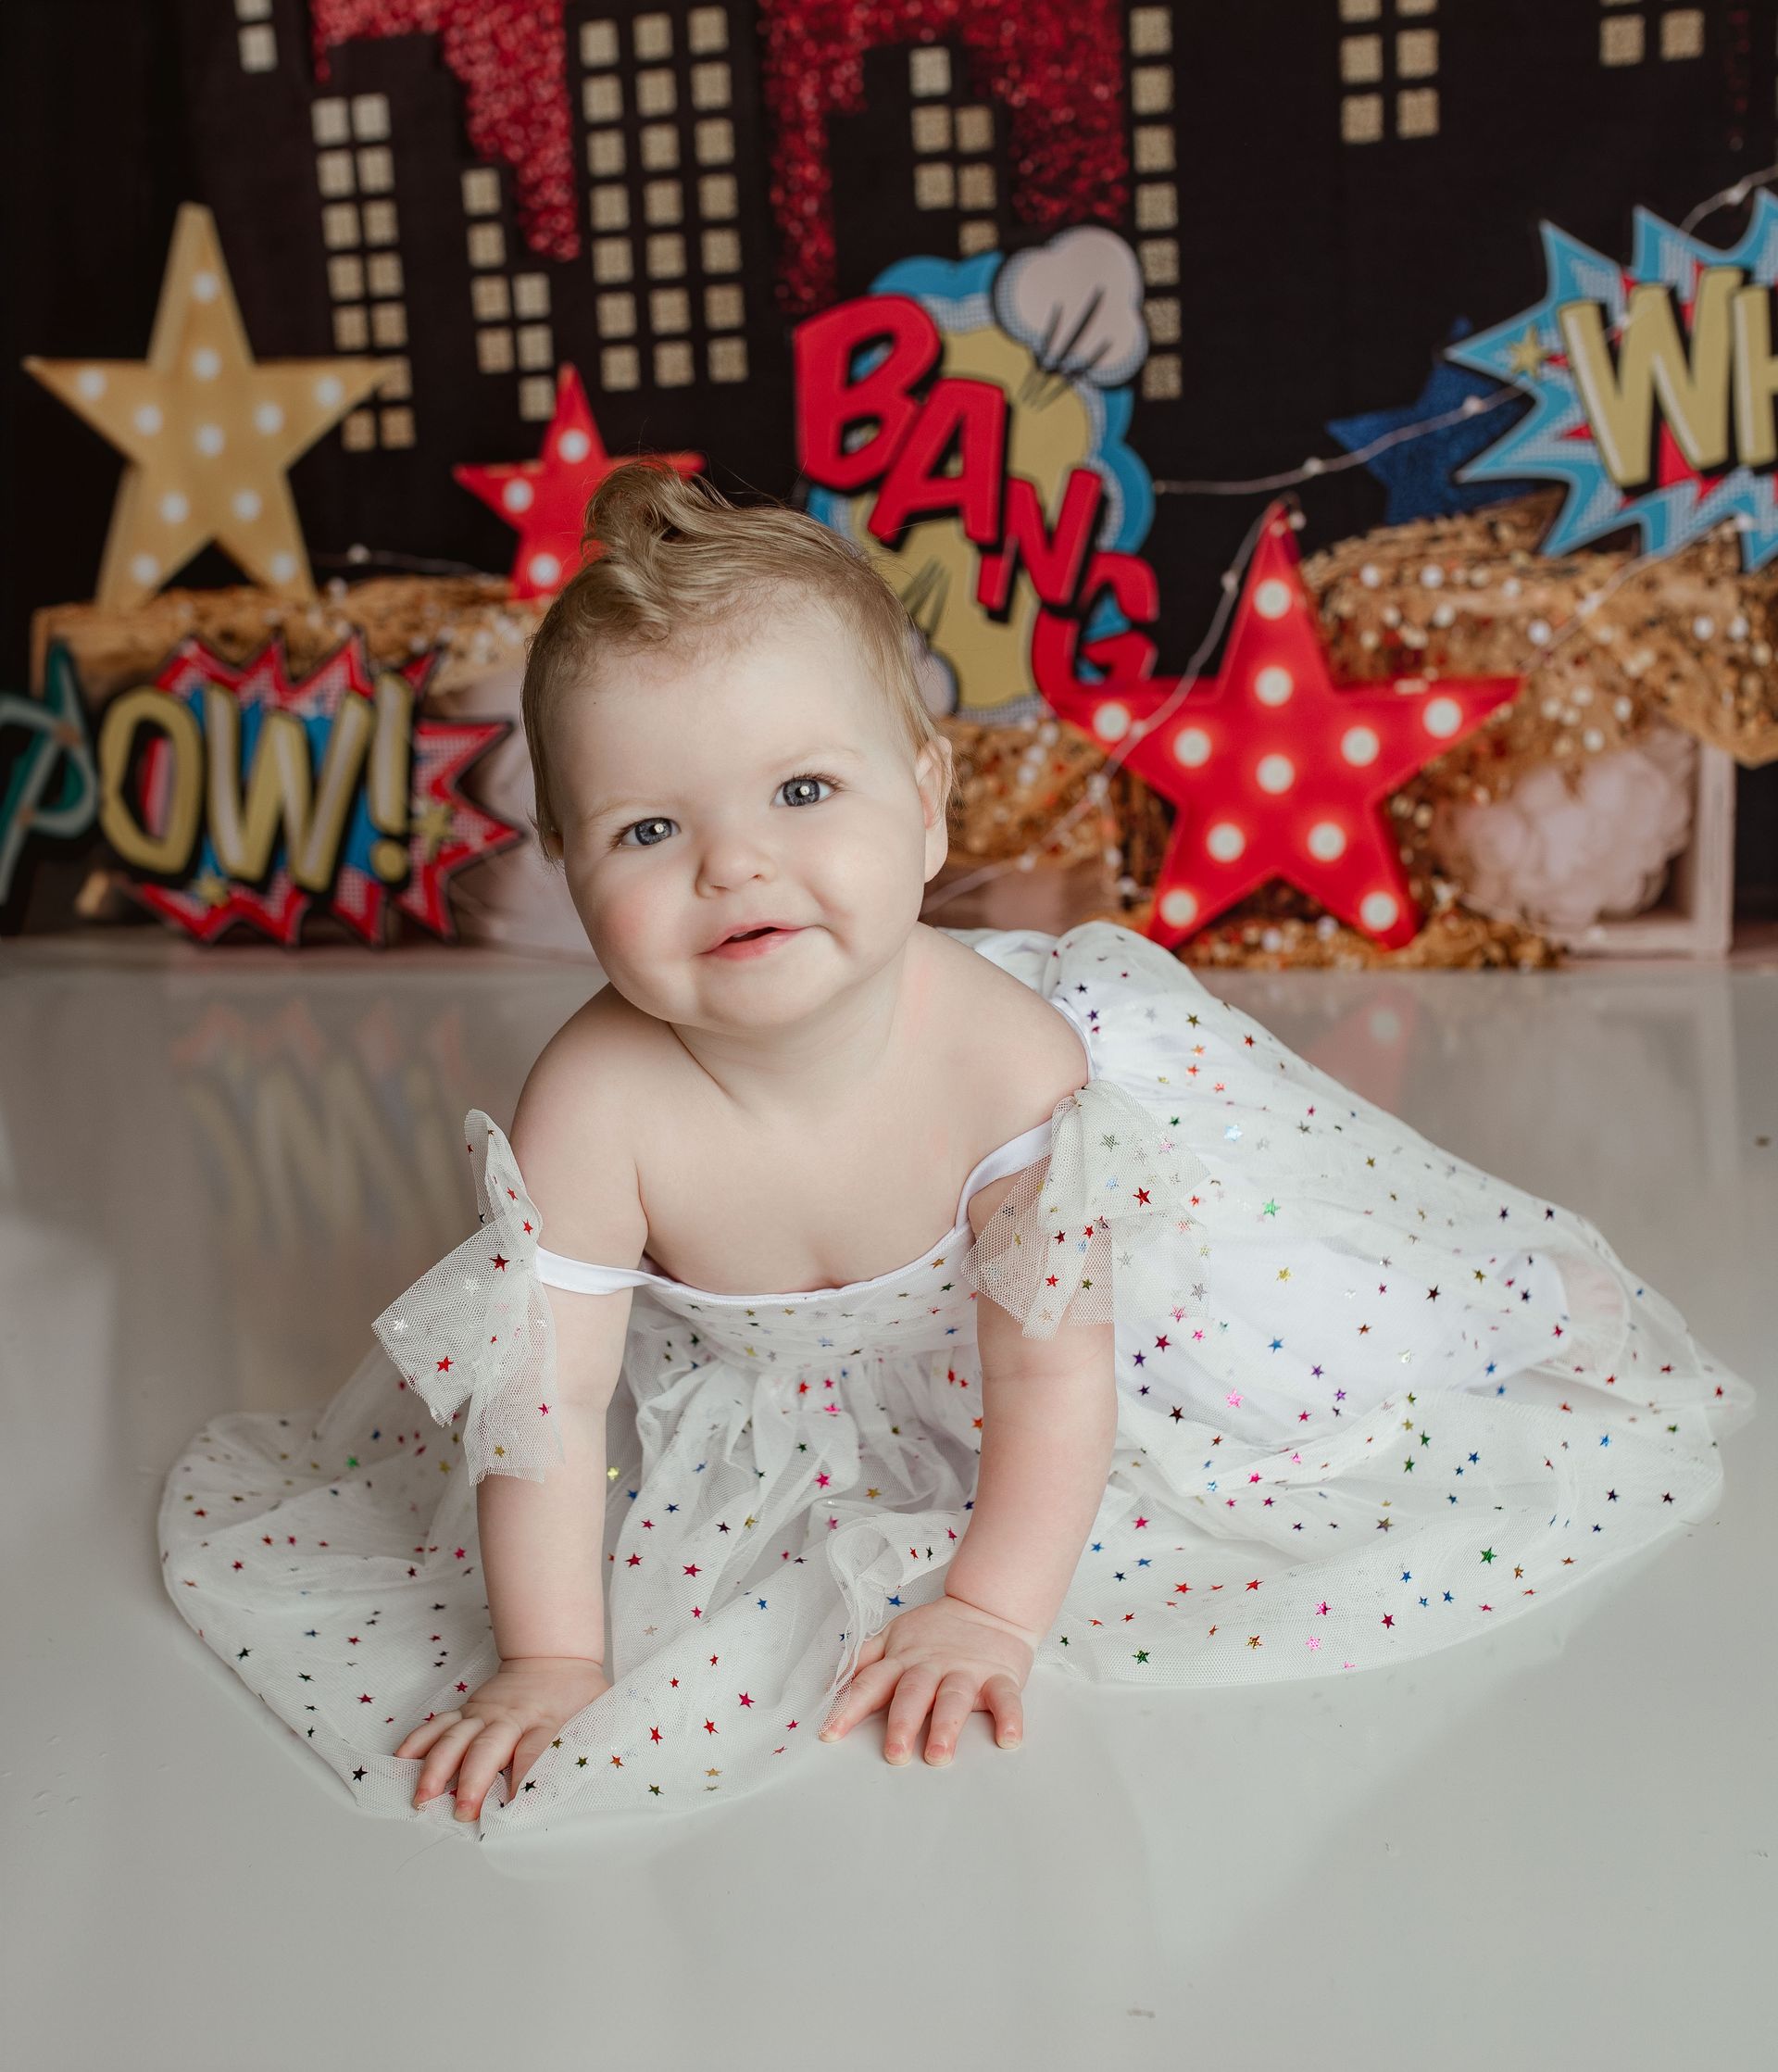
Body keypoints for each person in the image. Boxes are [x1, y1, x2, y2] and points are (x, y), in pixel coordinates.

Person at [159, 461, 1757, 1837]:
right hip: (770, 1390)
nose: (736, 862)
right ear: (568, 866)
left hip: (1034, 1343)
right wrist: (555, 1655)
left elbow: (1054, 1381)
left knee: (1319, 1375)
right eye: (649, 829)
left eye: (803, 788)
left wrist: (990, 1606)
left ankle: (1485, 1316)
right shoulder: (596, 1100)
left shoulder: (997, 1058)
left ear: (927, 808)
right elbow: (552, 1405)